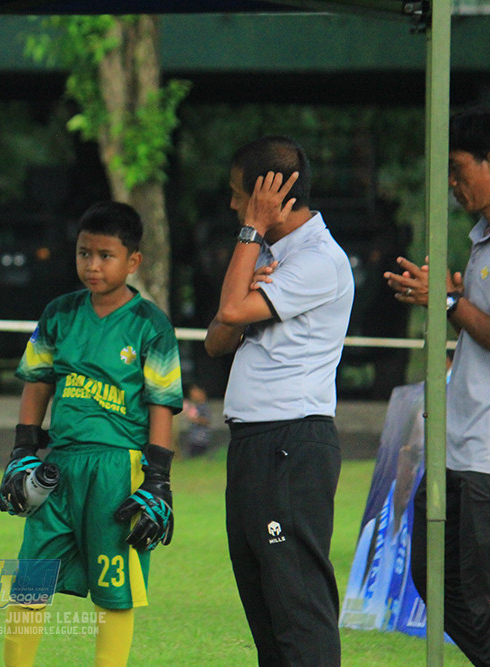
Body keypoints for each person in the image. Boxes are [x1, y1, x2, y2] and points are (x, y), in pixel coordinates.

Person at [0, 201, 183, 667]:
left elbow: (163, 405)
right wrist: (23, 450)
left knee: (113, 591)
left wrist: (158, 479)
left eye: (106, 255)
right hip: (57, 466)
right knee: (30, 580)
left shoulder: (150, 325)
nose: (93, 265)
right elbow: (37, 383)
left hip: (118, 470)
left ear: (133, 261)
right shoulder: (59, 313)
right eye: (84, 253)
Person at [204, 136, 354, 666]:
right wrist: (251, 261)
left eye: (239, 195)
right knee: (263, 601)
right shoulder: (267, 255)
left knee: (297, 603)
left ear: (272, 197)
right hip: (253, 443)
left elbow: (229, 307)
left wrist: (252, 232)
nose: (231, 206)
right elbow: (217, 336)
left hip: (292, 443)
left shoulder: (318, 260)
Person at [384, 106, 490, 666]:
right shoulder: (486, 237)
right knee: (432, 576)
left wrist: (448, 303)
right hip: (458, 444)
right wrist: (453, 302)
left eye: (459, 169)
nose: (454, 183)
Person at [183, 383, 212, 458]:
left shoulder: (204, 407)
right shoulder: (195, 406)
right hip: (193, 439)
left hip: (201, 440)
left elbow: (206, 420)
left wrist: (195, 419)